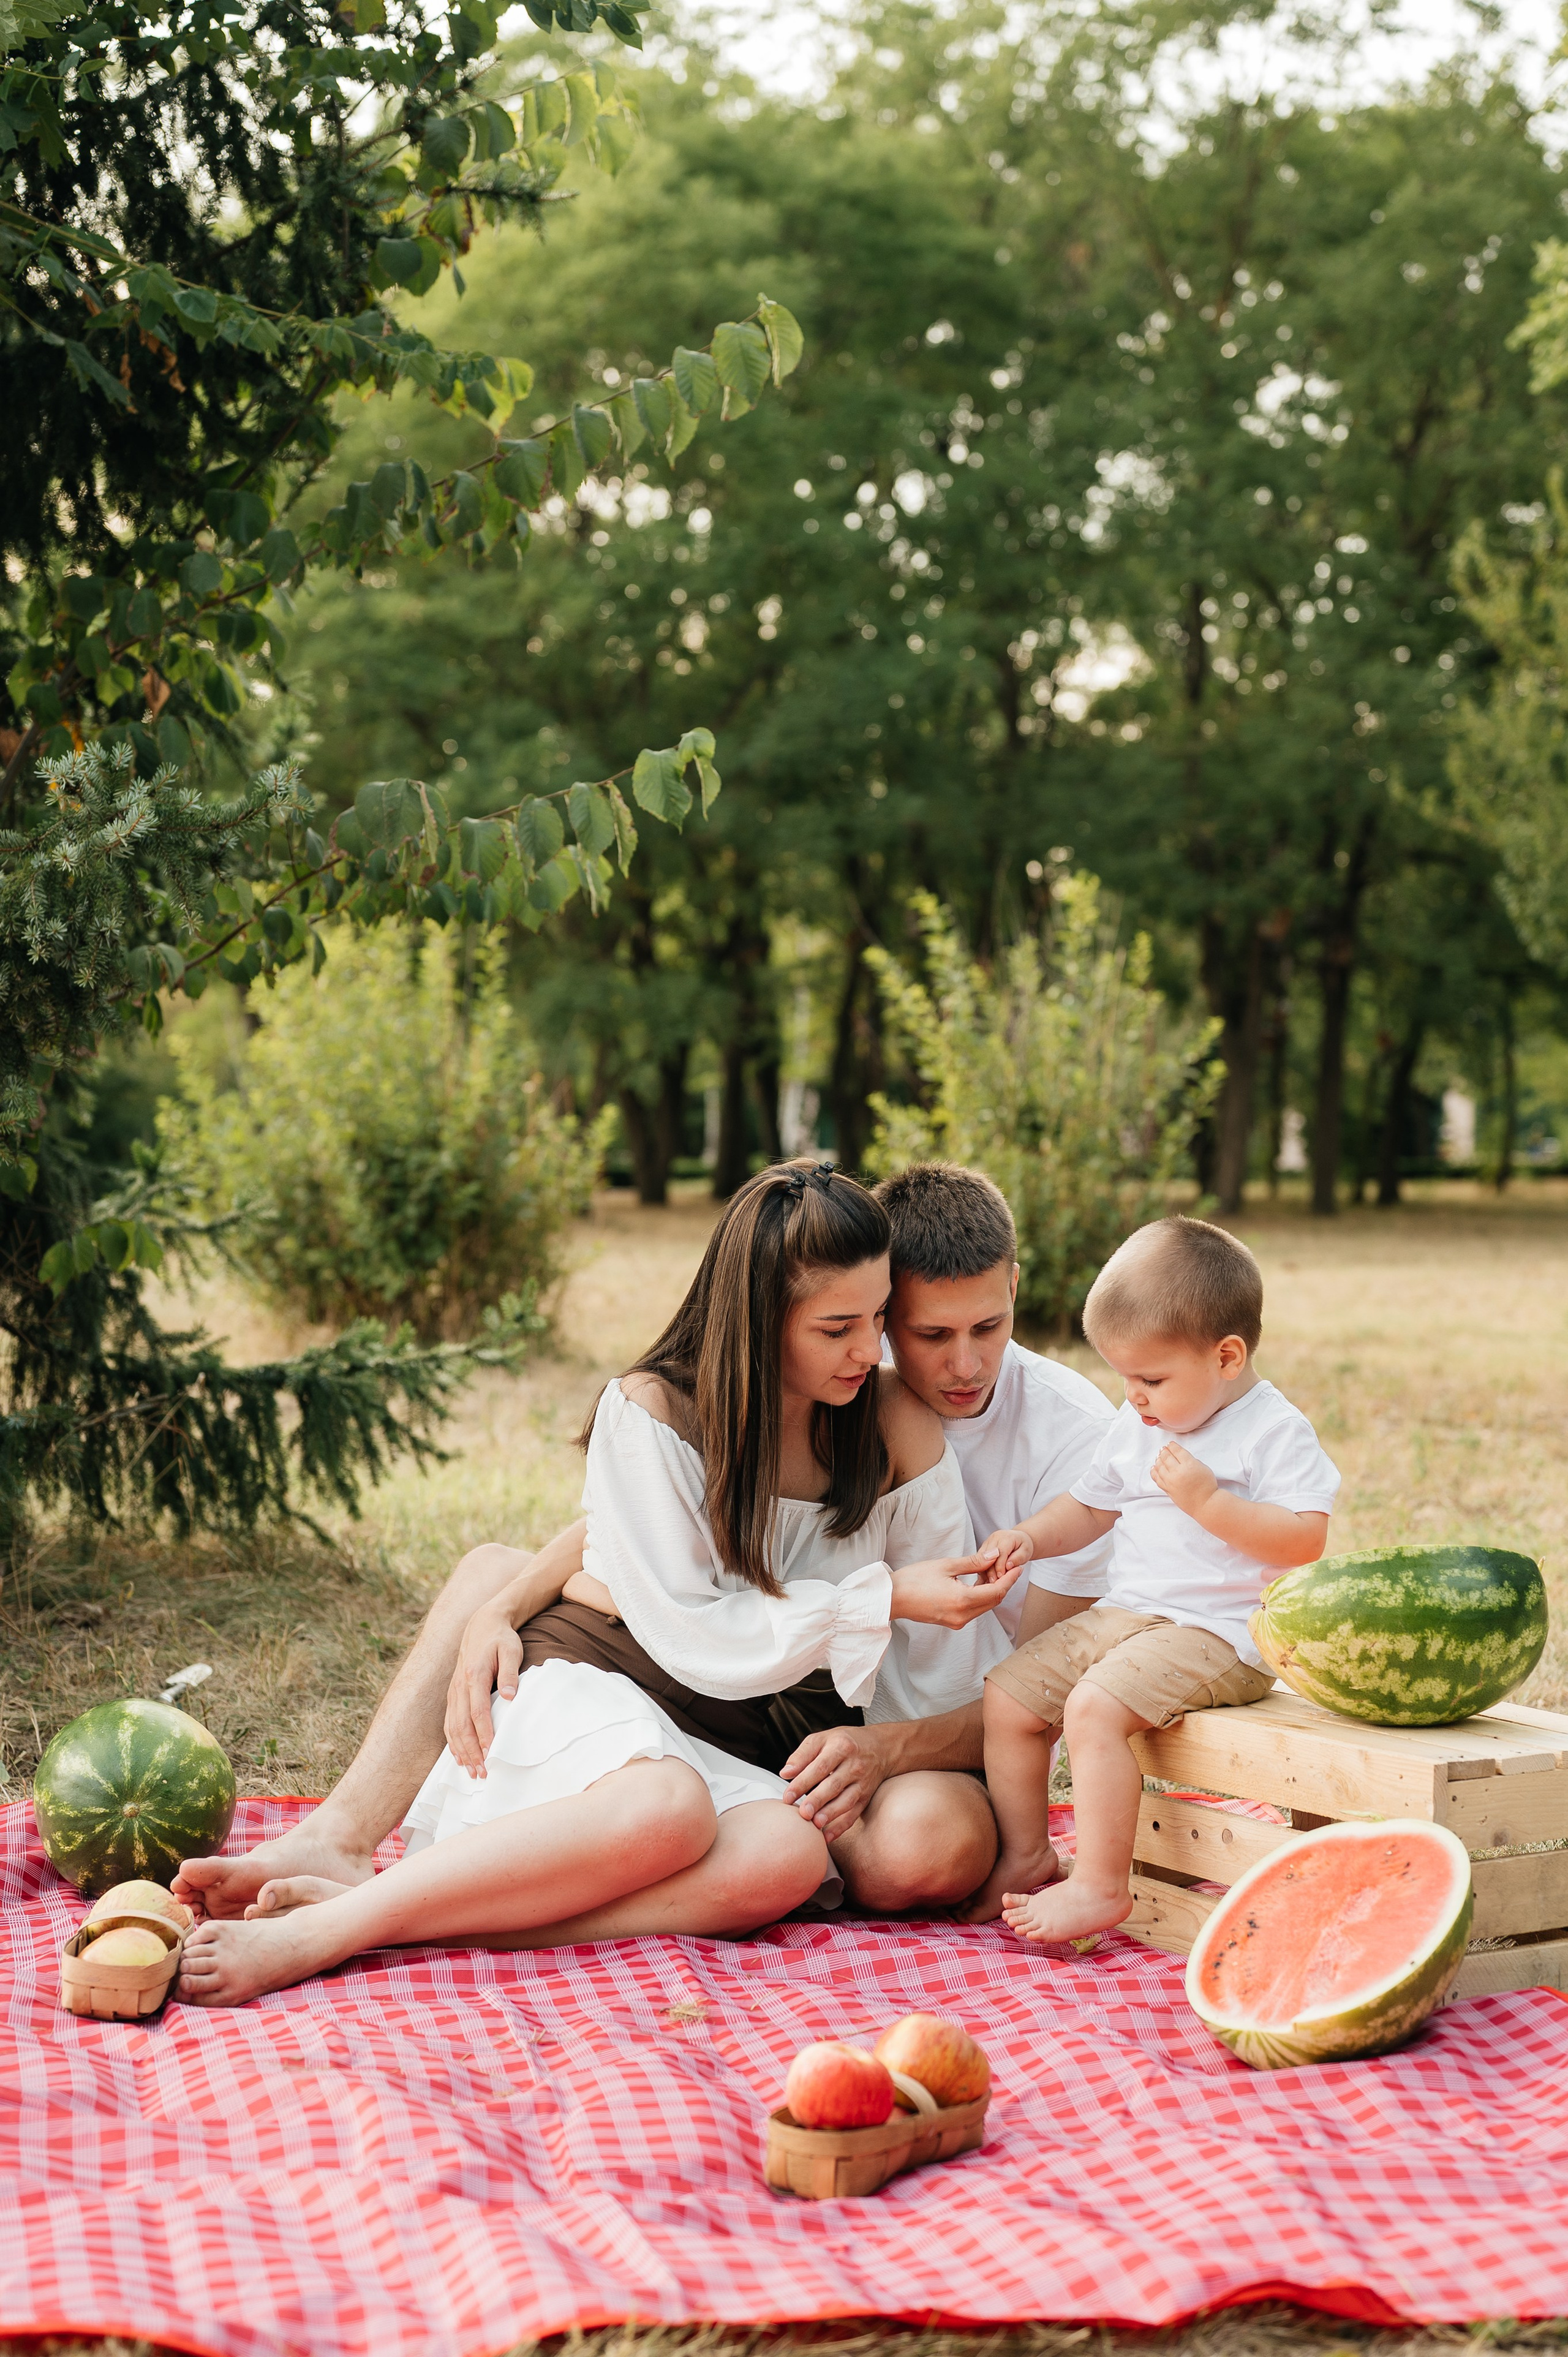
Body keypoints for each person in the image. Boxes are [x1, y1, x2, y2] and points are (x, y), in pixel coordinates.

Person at [175, 1163, 1023, 2003]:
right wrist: (884, 1598)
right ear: (763, 1323)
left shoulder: (886, 1425)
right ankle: (328, 1930)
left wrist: (915, 1762)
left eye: (878, 1318)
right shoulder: (655, 1409)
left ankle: (389, 1911)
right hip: (607, 1679)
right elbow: (687, 1624)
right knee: (667, 1806)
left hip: (739, 1736)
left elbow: (943, 1667)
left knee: (788, 1856)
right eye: (837, 1327)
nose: (869, 1350)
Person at [966, 1213, 1340, 1942]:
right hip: (1130, 1612)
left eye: (1151, 1378)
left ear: (1227, 1355)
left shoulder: (1271, 1430)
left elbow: (1305, 1539)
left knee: (1093, 1708)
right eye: (1124, 1377)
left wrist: (1209, 1501)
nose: (1134, 1396)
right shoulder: (1141, 1422)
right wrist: (1029, 1536)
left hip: (1222, 1632)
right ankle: (1027, 1851)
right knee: (1008, 1695)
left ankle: (1101, 1886)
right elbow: (1089, 1505)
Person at [774, 1161, 1117, 1838]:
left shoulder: (1077, 1437)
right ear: (879, 1313)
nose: (967, 1365)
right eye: (931, 1335)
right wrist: (507, 1602)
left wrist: (883, 1751)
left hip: (965, 1738)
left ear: (1014, 1284)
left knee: (918, 1845)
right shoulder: (838, 1385)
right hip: (808, 1684)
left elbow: (1037, 1700)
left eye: (988, 1326)